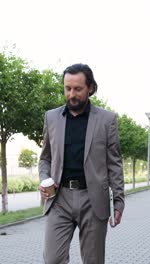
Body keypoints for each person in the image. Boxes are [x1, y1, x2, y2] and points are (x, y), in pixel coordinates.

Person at [38, 63, 125, 263]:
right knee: (52, 259)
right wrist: (45, 179)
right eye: (67, 89)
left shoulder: (107, 119)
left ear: (90, 88)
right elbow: (45, 158)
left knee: (93, 260)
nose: (71, 95)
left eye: (77, 89)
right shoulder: (51, 117)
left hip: (93, 199)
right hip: (59, 199)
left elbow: (114, 164)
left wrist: (119, 201)